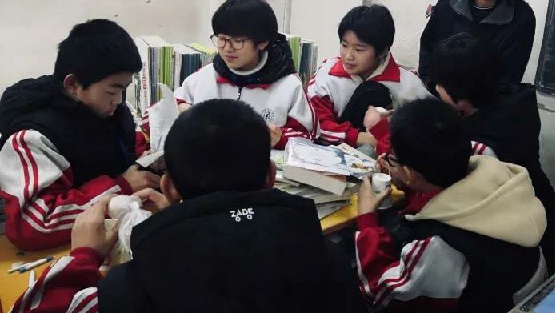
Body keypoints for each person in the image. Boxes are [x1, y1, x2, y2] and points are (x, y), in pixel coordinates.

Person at [11, 99, 365, 313]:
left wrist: (83, 257)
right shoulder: (330, 260)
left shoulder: (131, 287)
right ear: (271, 176)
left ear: (168, 186)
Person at [355, 98, 547, 312]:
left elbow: (381, 294)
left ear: (409, 173)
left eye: (393, 160)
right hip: (515, 290)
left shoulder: (438, 246)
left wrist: (366, 219)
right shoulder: (493, 167)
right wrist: (407, 180)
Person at [0, 20, 160, 251]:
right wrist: (122, 186)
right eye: (112, 91)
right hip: (58, 251)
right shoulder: (32, 137)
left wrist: (146, 160)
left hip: (109, 235)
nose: (119, 101)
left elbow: (124, 149)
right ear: (73, 84)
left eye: (123, 89)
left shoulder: (109, 112)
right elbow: (33, 225)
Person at [429, 32, 555, 273]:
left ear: (462, 96)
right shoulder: (512, 100)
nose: (436, 89)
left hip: (522, 245)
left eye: (440, 84)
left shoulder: (484, 146)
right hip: (539, 217)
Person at [174, 0, 315, 149]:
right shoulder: (207, 75)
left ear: (262, 42)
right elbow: (167, 107)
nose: (227, 48)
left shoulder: (289, 85)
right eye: (222, 38)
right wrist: (181, 109)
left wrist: (281, 138)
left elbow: (308, 138)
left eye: (238, 41)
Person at [307, 4, 428, 155]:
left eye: (359, 49)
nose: (348, 56)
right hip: (328, 154)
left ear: (383, 51)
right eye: (344, 45)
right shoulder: (328, 75)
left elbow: (429, 130)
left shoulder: (408, 85)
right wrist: (364, 138)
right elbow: (316, 125)